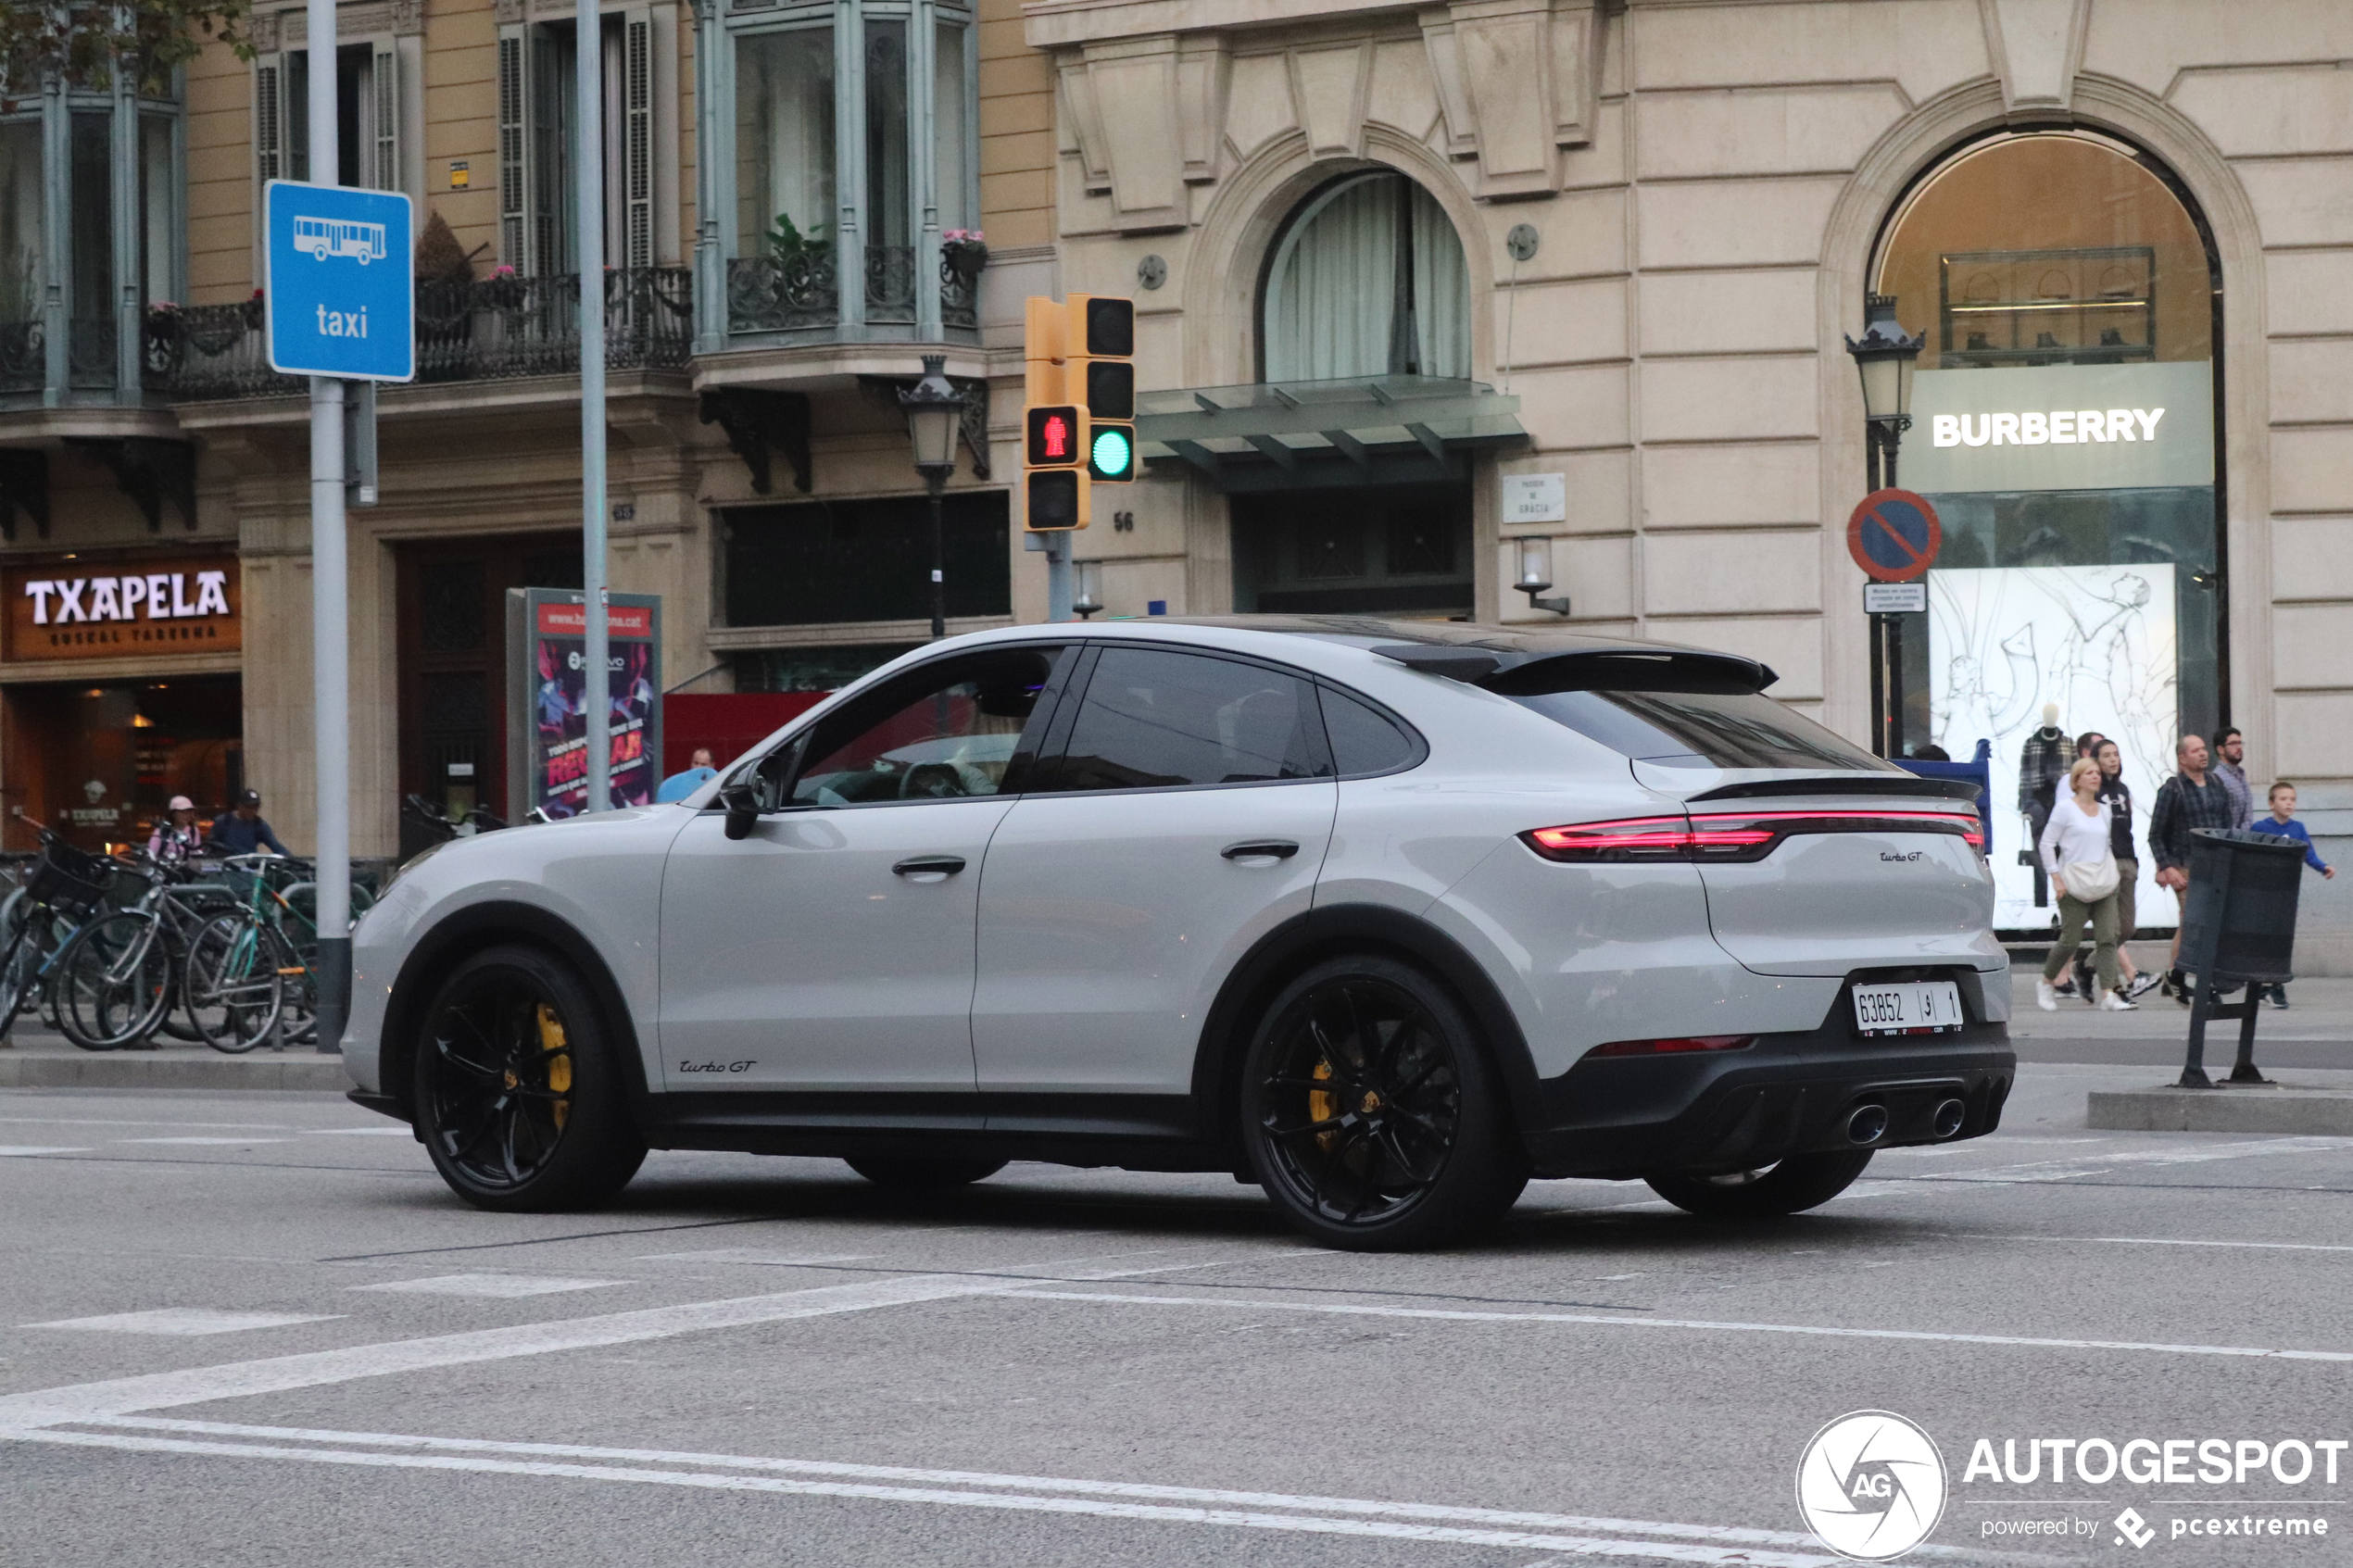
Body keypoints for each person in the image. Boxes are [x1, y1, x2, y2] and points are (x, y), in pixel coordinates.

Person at [2037, 757, 2133, 1011]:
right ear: (2077, 780)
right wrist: (2055, 877)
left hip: (2103, 880)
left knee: (2108, 937)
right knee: (2070, 940)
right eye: (2089, 773)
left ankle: (2109, 993)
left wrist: (2112, 874)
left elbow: (2105, 845)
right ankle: (2047, 982)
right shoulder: (2065, 809)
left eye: (2097, 773)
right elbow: (2046, 844)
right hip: (2073, 881)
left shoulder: (2104, 810)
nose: (2095, 777)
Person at [2148, 733, 2236, 1002]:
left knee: (2194, 924)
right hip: (2185, 867)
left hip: (2215, 865)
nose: (2203, 754)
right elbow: (2155, 835)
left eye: (2203, 749)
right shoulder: (2173, 789)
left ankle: (2175, 975)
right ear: (2182, 757)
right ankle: (2202, 981)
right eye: (2195, 750)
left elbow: (2226, 824)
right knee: (2198, 923)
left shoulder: (2215, 783)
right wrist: (2167, 867)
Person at [2250, 781, 2335, 1008]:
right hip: (2263, 892)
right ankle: (2265, 983)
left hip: (2286, 892)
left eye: (2292, 799)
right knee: (2263, 937)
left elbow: (2309, 854)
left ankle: (2272, 982)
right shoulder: (2260, 828)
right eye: (2283, 799)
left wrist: (2323, 867)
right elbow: (2250, 857)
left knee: (2280, 938)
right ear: (2271, 804)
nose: (2289, 803)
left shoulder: (2298, 829)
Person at [207, 788, 292, 857]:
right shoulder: (224, 821)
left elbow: (276, 846)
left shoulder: (258, 824)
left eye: (256, 807)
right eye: (249, 807)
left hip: (249, 868)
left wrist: (291, 860)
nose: (253, 811)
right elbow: (210, 845)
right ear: (240, 806)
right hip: (227, 870)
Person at [2211, 726, 2254, 830]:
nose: (2239, 747)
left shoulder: (2241, 775)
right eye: (2233, 744)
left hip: (2245, 840)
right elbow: (2221, 817)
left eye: (2240, 743)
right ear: (2220, 749)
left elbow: (2248, 814)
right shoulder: (2217, 778)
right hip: (2229, 840)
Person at [145, 796, 204, 864]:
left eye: (189, 812)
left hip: (188, 871)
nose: (187, 815)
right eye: (182, 812)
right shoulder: (162, 831)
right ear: (173, 814)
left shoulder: (194, 831)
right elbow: (151, 855)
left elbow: (197, 854)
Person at [654, 747, 720, 805]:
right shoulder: (679, 784)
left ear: (712, 766)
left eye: (703, 764)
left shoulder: (718, 786)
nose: (698, 767)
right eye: (696, 763)